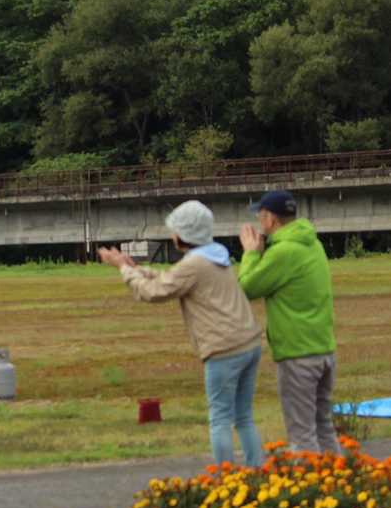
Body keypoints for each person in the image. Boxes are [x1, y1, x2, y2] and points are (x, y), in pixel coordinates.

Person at [99, 201, 265, 467]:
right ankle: (256, 471)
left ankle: (225, 476)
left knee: (220, 419)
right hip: (248, 342)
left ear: (183, 235)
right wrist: (135, 268)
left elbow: (153, 292)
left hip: (223, 348)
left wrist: (123, 269)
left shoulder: (195, 264)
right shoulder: (215, 254)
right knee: (243, 417)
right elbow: (171, 278)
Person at [238, 190, 341, 455]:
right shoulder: (312, 243)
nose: (260, 222)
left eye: (261, 216)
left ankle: (309, 479)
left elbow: (246, 288)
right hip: (323, 347)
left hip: (297, 353)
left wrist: (250, 253)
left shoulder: (283, 252)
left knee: (302, 434)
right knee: (323, 427)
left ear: (270, 219)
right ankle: (340, 475)